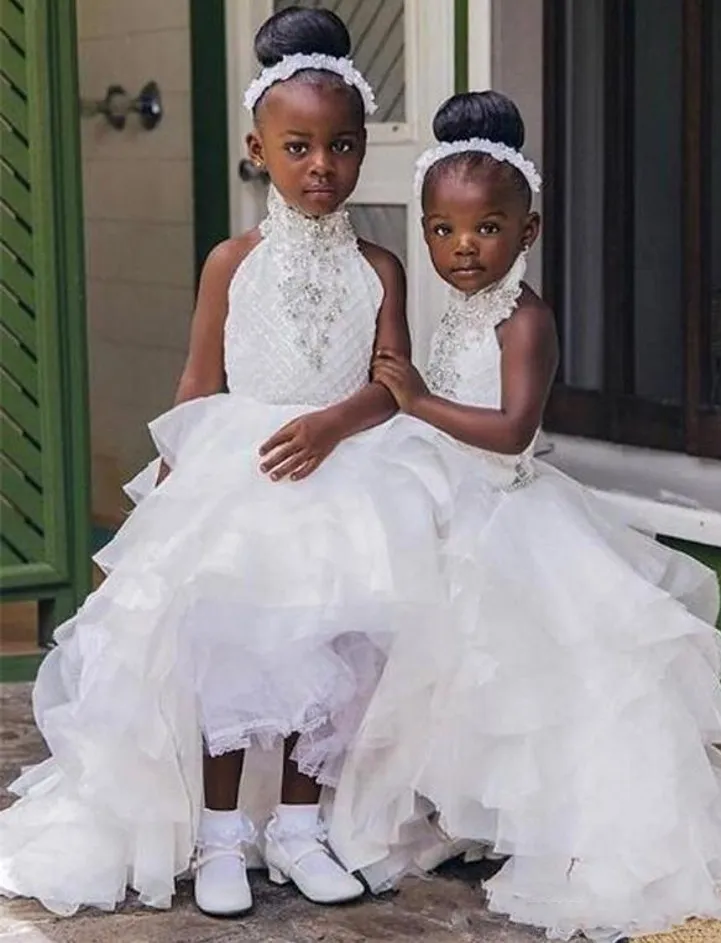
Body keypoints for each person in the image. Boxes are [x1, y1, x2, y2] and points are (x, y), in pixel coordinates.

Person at [0, 6, 449, 920]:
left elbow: (396, 379)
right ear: (258, 149)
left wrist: (332, 423)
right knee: (230, 658)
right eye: (298, 147)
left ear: (362, 151)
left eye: (341, 147)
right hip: (241, 483)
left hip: (345, 478)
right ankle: (220, 837)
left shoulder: (381, 265)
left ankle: (296, 826)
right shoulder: (230, 262)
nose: (321, 167)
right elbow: (199, 379)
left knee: (323, 658)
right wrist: (165, 507)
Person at [328, 91, 721, 943]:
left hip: (507, 511)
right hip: (446, 500)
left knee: (527, 678)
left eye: (487, 230)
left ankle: (552, 824)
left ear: (528, 231)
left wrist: (421, 403)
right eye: (442, 231)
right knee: (450, 672)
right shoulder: (465, 309)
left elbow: (511, 433)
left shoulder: (526, 320)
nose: (463, 249)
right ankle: (465, 809)